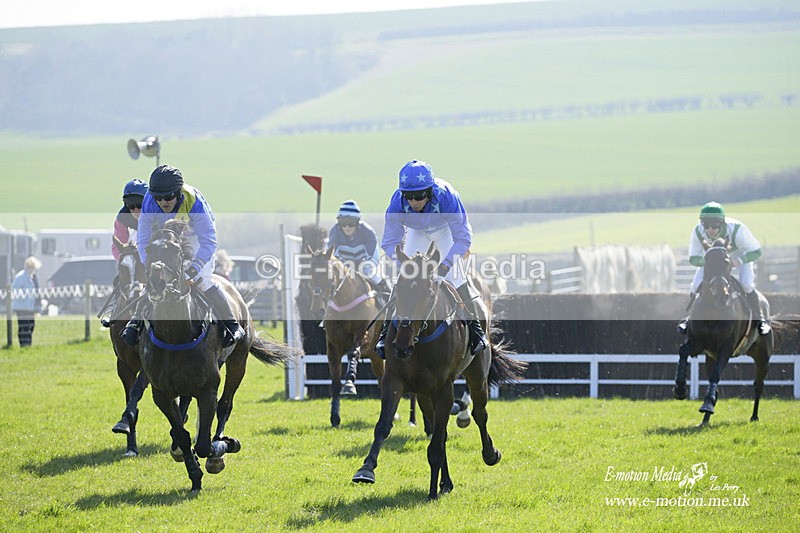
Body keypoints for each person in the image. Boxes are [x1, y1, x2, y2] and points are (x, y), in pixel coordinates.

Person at [121, 164, 245, 347]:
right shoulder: (149, 201)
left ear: (178, 193)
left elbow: (209, 241)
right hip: (166, 235)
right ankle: (136, 322)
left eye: (169, 196)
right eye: (159, 197)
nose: (163, 201)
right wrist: (149, 266)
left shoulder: (194, 202)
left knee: (203, 279)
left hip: (195, 235)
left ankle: (232, 325)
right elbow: (143, 239)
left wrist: (193, 270)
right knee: (155, 278)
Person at [376, 159, 488, 357]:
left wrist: (445, 267)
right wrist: (404, 265)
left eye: (419, 196)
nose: (413, 202)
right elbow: (389, 242)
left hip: (447, 232)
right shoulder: (397, 202)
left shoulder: (447, 196)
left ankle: (477, 331)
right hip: (417, 231)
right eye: (408, 196)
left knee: (456, 277)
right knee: (403, 281)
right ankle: (385, 333)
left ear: (429, 191)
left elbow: (463, 239)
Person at [678, 201, 770, 336]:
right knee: (695, 285)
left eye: (714, 225)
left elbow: (757, 251)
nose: (710, 230)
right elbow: (693, 258)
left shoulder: (738, 230)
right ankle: (689, 318)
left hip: (739, 257)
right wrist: (709, 261)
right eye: (707, 226)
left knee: (746, 284)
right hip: (713, 260)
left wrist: (739, 260)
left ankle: (760, 319)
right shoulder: (698, 231)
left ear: (722, 223)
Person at [101, 178, 148, 327]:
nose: (134, 210)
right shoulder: (122, 217)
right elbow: (117, 246)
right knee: (119, 279)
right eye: (130, 205)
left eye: (139, 205)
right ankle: (114, 310)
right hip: (134, 251)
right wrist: (127, 260)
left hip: (153, 250)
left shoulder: (156, 213)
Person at [326, 199, 391, 300]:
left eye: (351, 223)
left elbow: (374, 256)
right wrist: (343, 267)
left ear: (357, 222)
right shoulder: (334, 232)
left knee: (373, 276)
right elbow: (331, 256)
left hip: (365, 267)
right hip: (343, 267)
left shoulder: (368, 232)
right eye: (343, 223)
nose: (347, 227)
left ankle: (389, 299)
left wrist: (364, 266)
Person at [11, 256, 42, 347]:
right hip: (21, 306)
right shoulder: (21, 276)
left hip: (29, 307)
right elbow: (13, 290)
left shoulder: (32, 277)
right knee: (24, 327)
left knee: (31, 326)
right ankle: (24, 344)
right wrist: (24, 296)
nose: (32, 269)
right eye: (31, 267)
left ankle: (28, 343)